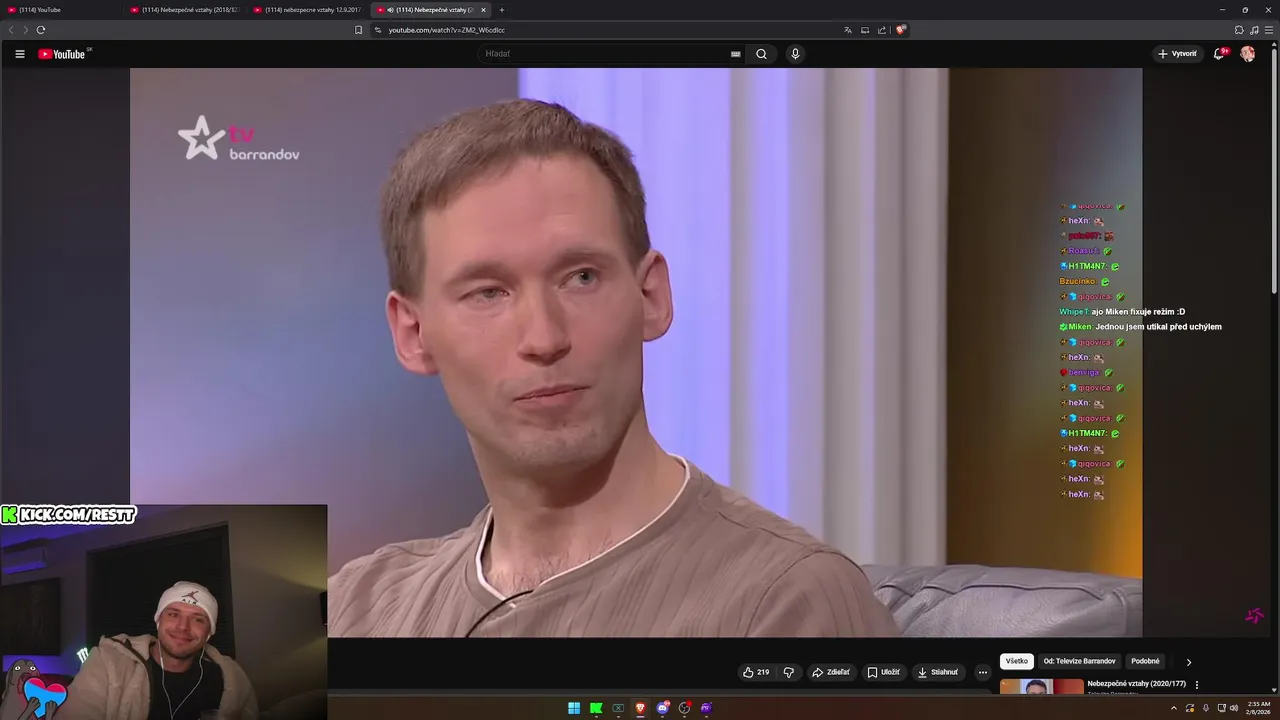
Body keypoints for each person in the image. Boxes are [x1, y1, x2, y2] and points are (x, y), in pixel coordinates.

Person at [327, 99, 900, 638]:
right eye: (488, 293)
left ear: (651, 296)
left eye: (581, 277)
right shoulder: (357, 611)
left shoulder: (785, 601)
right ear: (413, 334)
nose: (544, 338)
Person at [58, 582, 258, 720]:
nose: (183, 627)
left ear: (208, 633)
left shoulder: (231, 677)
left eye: (198, 619)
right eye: (173, 614)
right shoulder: (107, 662)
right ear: (158, 621)